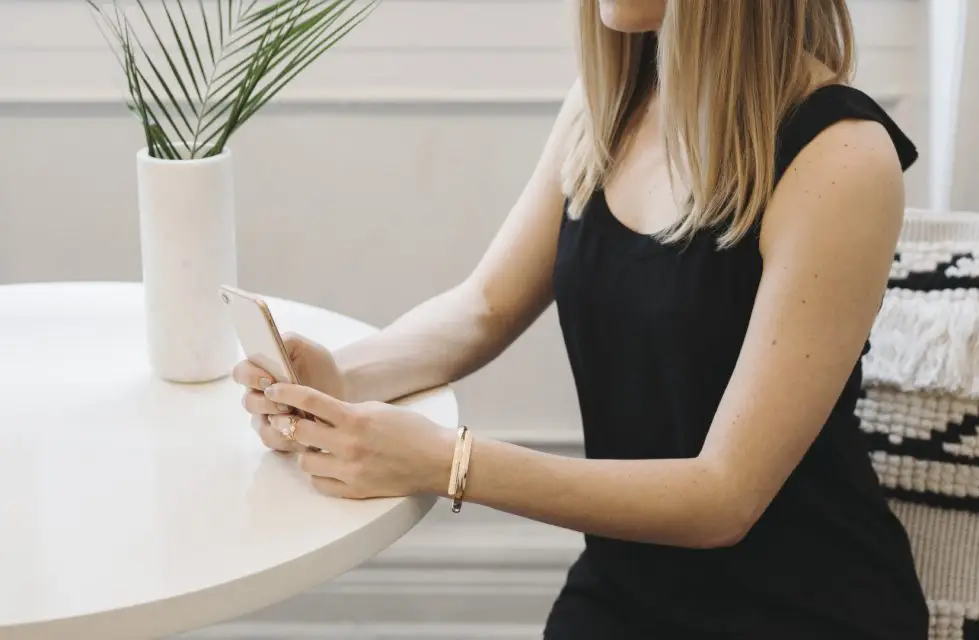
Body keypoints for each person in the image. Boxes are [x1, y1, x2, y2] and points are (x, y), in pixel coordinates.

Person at [233, 1, 930, 637]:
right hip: (624, 588)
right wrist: (334, 379)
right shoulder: (611, 104)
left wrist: (446, 462)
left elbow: (725, 496)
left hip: (803, 608)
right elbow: (483, 307)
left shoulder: (840, 156)